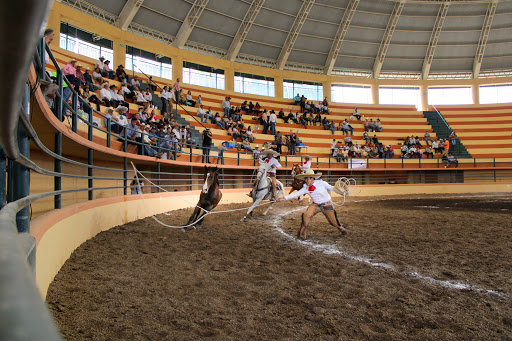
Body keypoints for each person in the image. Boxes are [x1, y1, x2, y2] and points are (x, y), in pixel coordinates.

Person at [277, 171, 347, 240]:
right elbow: (296, 194)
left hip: (327, 204)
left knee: (333, 222)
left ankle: (340, 227)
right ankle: (302, 233)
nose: (306, 181)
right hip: (316, 204)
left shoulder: (322, 183)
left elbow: (332, 188)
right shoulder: (305, 187)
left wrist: (341, 191)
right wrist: (284, 198)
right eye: (305, 179)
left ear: (312, 178)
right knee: (306, 215)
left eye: (307, 179)